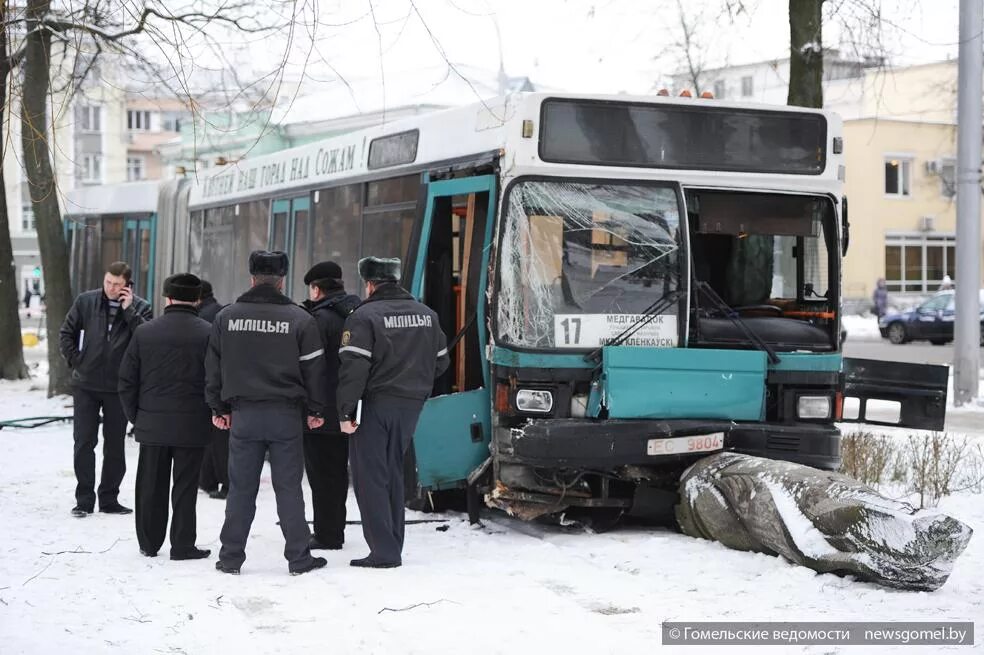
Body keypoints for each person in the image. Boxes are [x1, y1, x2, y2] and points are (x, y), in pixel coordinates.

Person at [205, 250, 330, 576]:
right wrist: (317, 410)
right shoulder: (301, 319)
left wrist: (218, 406)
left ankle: (231, 557)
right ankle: (299, 558)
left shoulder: (227, 317)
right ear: (282, 280)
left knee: (240, 489)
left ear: (251, 278)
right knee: (289, 489)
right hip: (286, 417)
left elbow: (214, 368)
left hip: (243, 416)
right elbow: (315, 371)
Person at [336, 257, 449, 569]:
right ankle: (392, 544)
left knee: (370, 476)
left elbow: (353, 370)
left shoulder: (364, 316)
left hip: (375, 405)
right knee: (393, 472)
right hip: (411, 405)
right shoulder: (427, 315)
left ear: (370, 284)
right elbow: (441, 362)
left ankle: (384, 551)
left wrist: (346, 412)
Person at [118, 274, 213, 560]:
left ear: (167, 298)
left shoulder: (145, 332)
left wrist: (137, 416)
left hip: (153, 425)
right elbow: (216, 380)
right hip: (192, 425)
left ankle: (149, 542)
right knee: (185, 486)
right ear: (197, 299)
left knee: (151, 485)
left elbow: (126, 381)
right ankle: (183, 545)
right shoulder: (209, 333)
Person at [59, 261, 152, 517]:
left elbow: (145, 338)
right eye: (108, 282)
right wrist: (77, 361)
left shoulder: (141, 307)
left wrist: (129, 309)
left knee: (115, 445)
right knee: (84, 442)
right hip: (86, 385)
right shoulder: (86, 301)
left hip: (118, 388)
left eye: (117, 284)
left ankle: (109, 498)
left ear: (128, 286)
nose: (111, 288)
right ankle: (84, 500)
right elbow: (66, 333)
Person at [301, 261, 361, 550]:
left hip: (321, 410)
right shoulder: (357, 312)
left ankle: (327, 534)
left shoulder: (319, 319)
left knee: (321, 476)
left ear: (316, 289)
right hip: (350, 407)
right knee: (338, 473)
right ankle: (335, 528)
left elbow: (312, 366)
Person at [196, 279, 229, 499]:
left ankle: (215, 480)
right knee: (219, 435)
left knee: (213, 437)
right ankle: (212, 479)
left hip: (206, 382)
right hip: (223, 382)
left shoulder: (200, 319)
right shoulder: (221, 312)